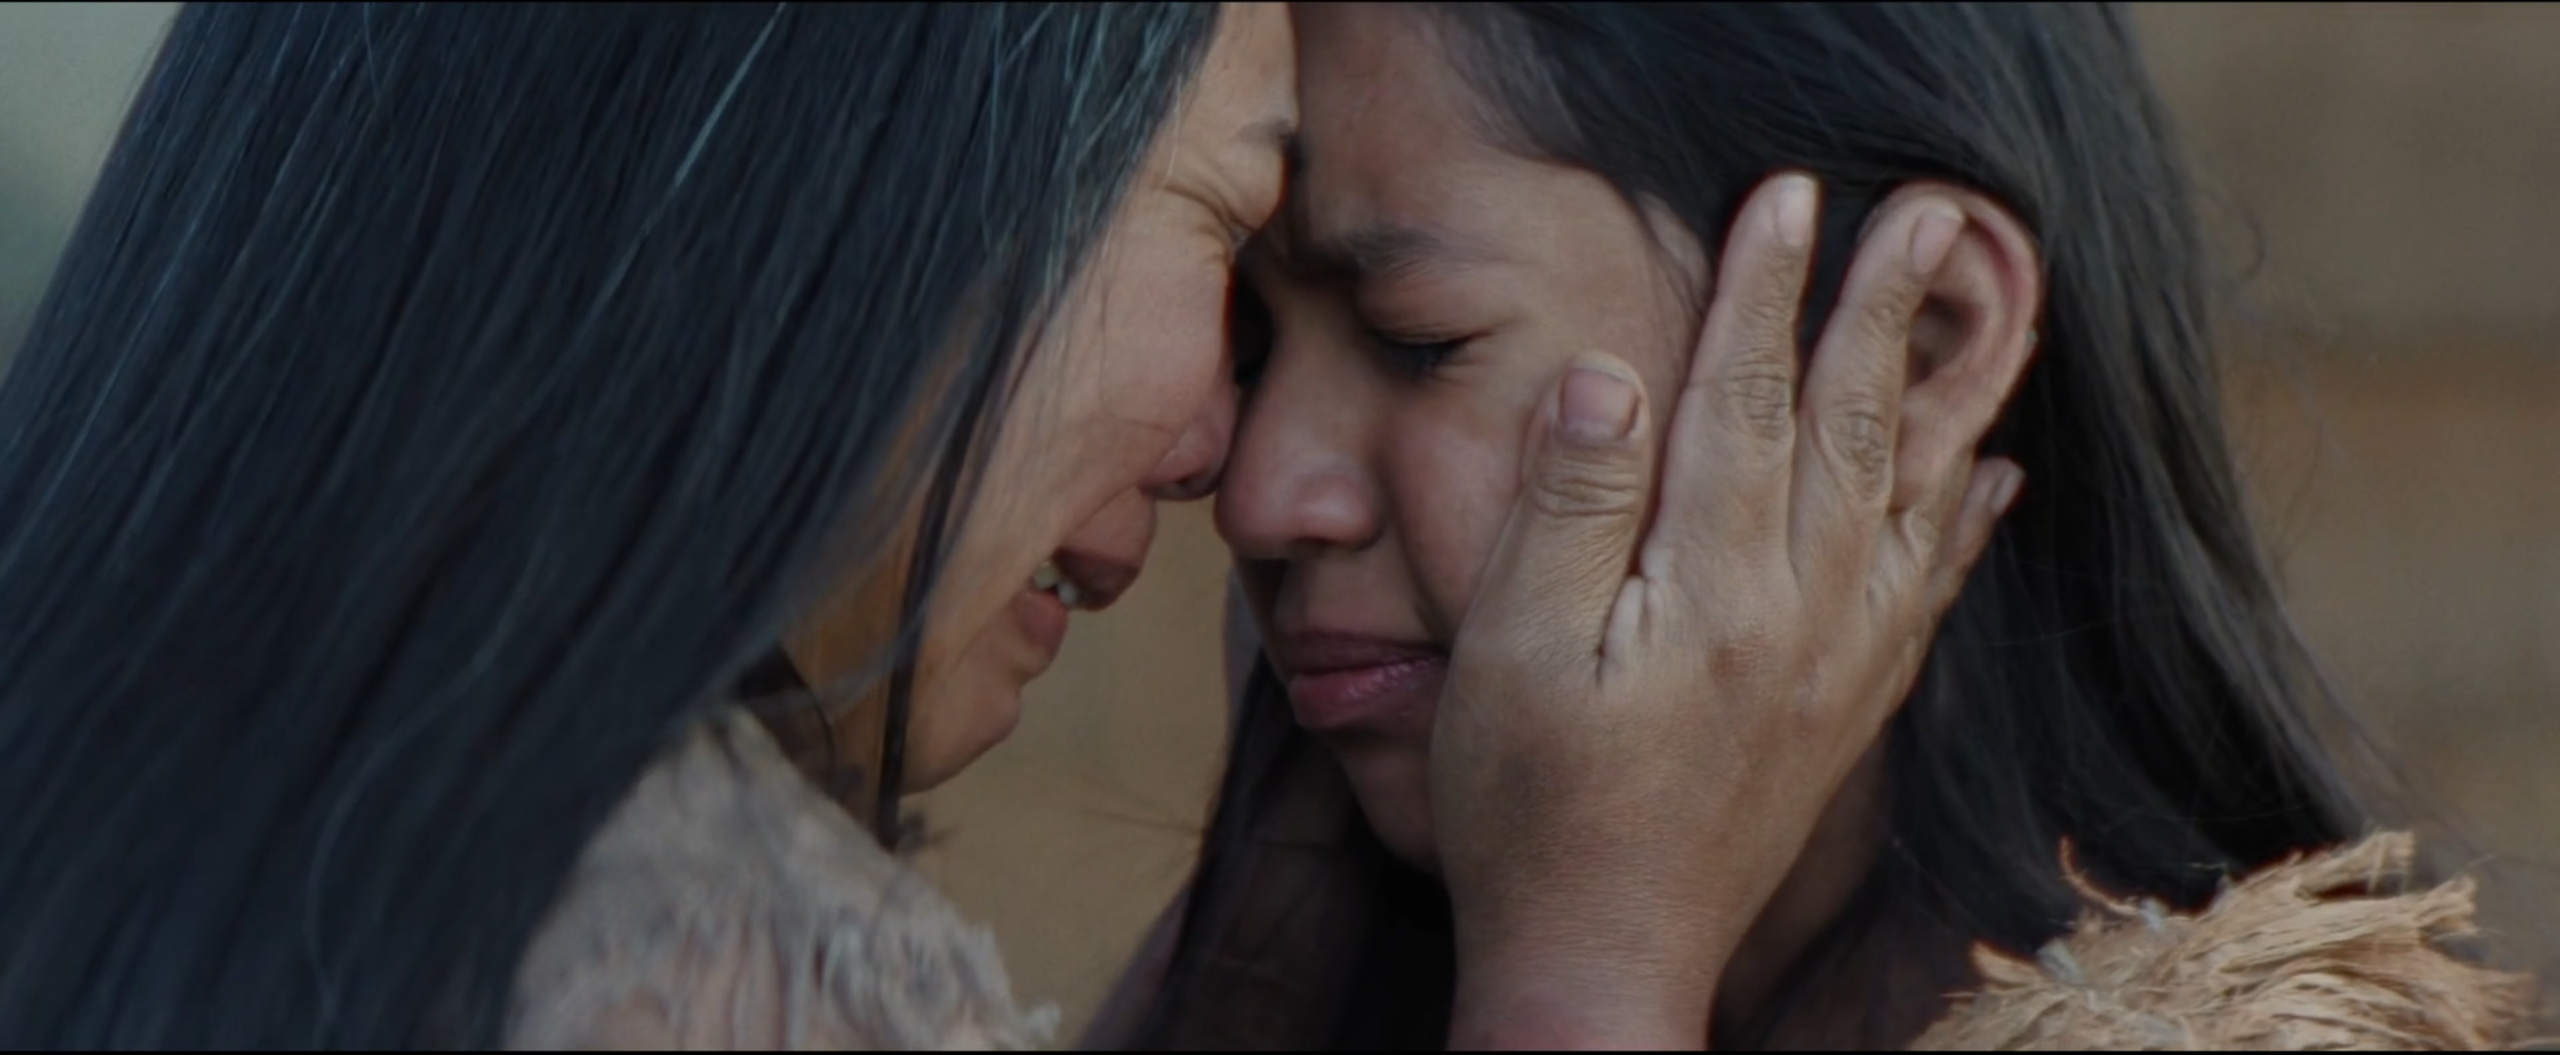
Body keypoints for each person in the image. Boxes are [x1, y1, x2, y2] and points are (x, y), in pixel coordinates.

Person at [0, 3, 2013, 1049]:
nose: (1240, 472)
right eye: (1225, 245)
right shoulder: (674, 964)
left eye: (1407, 336)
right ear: (858, 177)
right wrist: (1583, 971)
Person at [1104, 3, 2536, 1049]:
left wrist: (1585, 974)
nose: (1261, 494)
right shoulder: (1299, 953)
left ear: (1917, 349)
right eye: (1248, 344)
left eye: (1418, 342)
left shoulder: (2245, 1030)